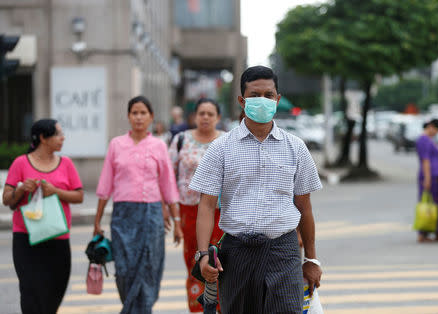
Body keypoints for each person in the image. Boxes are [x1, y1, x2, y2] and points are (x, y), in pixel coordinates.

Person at [189, 65, 323, 313]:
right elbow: (206, 206)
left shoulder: (296, 148)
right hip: (237, 253)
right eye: (254, 95)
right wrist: (202, 254)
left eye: (268, 95)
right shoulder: (221, 149)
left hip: (283, 251)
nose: (262, 101)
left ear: (277, 99)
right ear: (242, 100)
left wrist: (311, 259)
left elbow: (304, 207)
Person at [93, 96, 183, 314]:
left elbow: (168, 186)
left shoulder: (159, 146)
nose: (139, 117)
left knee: (149, 266)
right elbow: (105, 185)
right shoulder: (116, 144)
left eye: (143, 113)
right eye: (135, 112)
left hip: (151, 214)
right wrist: (97, 221)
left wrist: (177, 222)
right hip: (122, 215)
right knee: (123, 268)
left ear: (151, 117)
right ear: (128, 116)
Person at [2, 119, 84, 314]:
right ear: (43, 138)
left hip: (57, 239)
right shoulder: (20, 163)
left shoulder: (66, 164)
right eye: (58, 134)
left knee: (54, 294)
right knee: (31, 295)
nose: (62, 138)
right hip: (27, 239)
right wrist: (22, 189)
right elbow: (7, 199)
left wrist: (55, 191)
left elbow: (79, 196)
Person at [169, 98, 224, 312]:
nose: (206, 117)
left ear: (218, 118)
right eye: (202, 113)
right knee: (195, 260)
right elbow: (168, 177)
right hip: (189, 211)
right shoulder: (181, 140)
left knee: (221, 261)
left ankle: (220, 307)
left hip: (220, 211)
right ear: (195, 116)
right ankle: (198, 308)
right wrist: (170, 210)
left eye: (211, 114)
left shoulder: (226, 141)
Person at [415, 118, 438, 242]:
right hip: (430, 176)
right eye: (436, 129)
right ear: (430, 126)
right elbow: (425, 160)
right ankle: (423, 233)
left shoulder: (431, 140)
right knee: (428, 205)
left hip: (437, 175)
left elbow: (434, 157)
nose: (436, 132)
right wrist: (428, 178)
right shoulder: (423, 140)